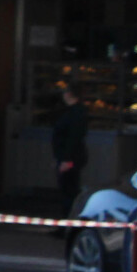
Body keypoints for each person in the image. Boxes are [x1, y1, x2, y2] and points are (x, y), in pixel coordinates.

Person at [51, 86, 92, 215]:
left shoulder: (75, 114)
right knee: (68, 190)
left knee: (69, 191)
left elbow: (72, 138)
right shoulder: (74, 112)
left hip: (70, 157)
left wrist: (66, 159)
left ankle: (68, 222)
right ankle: (66, 222)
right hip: (68, 156)